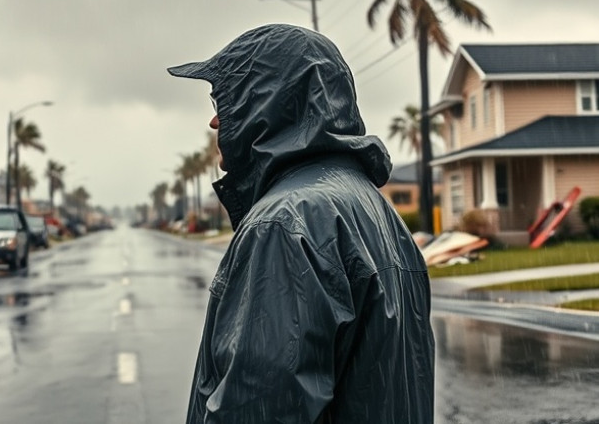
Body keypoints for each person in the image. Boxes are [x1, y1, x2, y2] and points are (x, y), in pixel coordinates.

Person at [168, 24, 435, 423]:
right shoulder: (379, 215)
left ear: (264, 105)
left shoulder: (283, 225)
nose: (214, 121)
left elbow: (259, 411)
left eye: (224, 99)